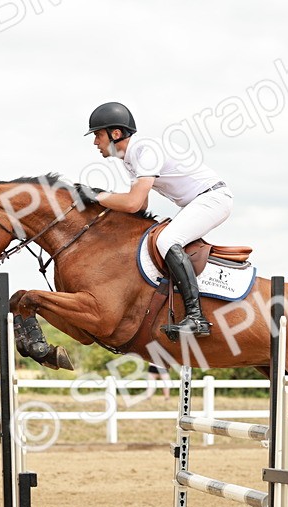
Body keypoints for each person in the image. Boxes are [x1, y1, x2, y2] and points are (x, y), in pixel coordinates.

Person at [84, 101, 232, 338]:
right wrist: (99, 200)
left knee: (166, 241)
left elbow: (132, 203)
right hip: (197, 202)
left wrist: (97, 196)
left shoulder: (145, 150)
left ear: (116, 133)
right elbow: (140, 206)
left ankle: (196, 317)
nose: (95, 142)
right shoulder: (130, 158)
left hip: (213, 199)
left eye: (98, 135)